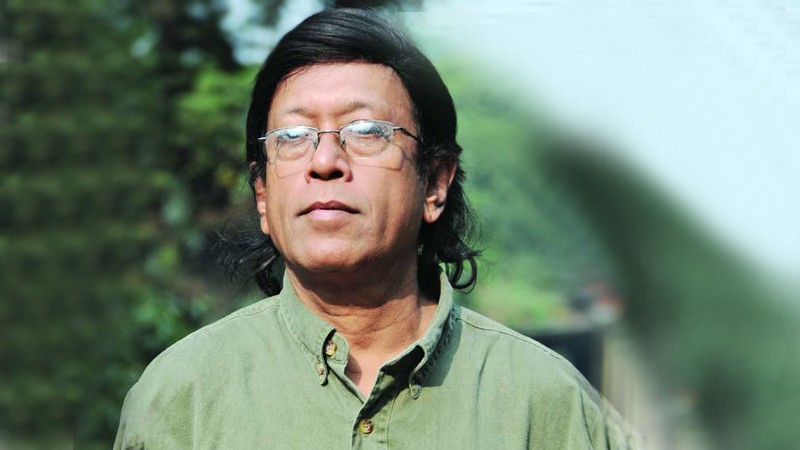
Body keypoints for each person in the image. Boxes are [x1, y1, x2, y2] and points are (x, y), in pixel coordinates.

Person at [115, 8, 640, 449]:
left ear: (434, 183)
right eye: (292, 136)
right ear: (262, 195)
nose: (325, 162)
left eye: (366, 131)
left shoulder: (543, 402)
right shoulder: (182, 397)